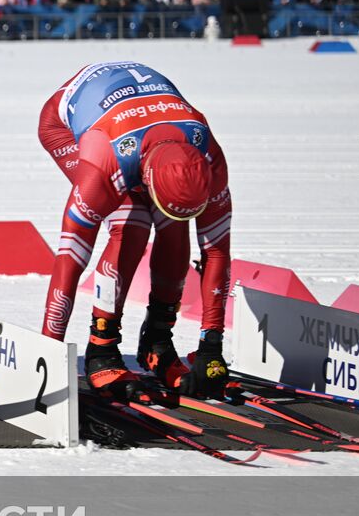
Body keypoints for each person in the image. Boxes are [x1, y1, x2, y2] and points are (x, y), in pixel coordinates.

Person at [37, 61, 233, 399]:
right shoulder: (104, 161)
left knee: (174, 228)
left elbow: (216, 250)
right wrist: (47, 353)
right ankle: (101, 346)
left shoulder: (210, 157)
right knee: (132, 222)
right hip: (75, 125)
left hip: (144, 122)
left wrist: (211, 345)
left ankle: (157, 339)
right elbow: (70, 259)